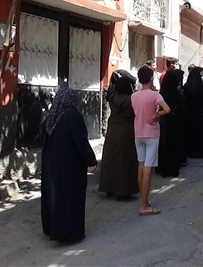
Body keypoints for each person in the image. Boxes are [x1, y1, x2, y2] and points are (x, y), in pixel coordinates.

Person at [41, 87, 97, 243]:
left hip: (51, 164)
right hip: (69, 166)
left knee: (55, 198)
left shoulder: (52, 116)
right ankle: (68, 234)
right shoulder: (72, 116)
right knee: (70, 199)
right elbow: (81, 141)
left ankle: (53, 229)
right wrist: (91, 161)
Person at [131, 65, 170, 216]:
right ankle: (143, 205)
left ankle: (144, 201)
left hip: (138, 132)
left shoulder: (134, 96)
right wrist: (158, 116)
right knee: (148, 168)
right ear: (151, 78)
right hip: (152, 133)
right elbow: (167, 109)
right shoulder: (155, 95)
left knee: (141, 165)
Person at [99, 70, 139, 200]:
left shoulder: (112, 98)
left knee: (111, 160)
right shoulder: (132, 100)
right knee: (125, 162)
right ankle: (123, 191)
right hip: (127, 131)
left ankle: (108, 187)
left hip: (113, 131)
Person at [157, 68, 187, 177]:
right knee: (173, 144)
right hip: (173, 120)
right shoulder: (176, 92)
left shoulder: (162, 92)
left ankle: (162, 168)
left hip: (163, 120)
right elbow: (181, 106)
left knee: (164, 145)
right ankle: (172, 169)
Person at [183, 64, 203, 158]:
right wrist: (202, 109)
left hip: (190, 113)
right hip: (198, 113)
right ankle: (199, 151)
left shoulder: (188, 84)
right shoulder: (197, 84)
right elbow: (199, 98)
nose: (202, 74)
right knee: (199, 133)